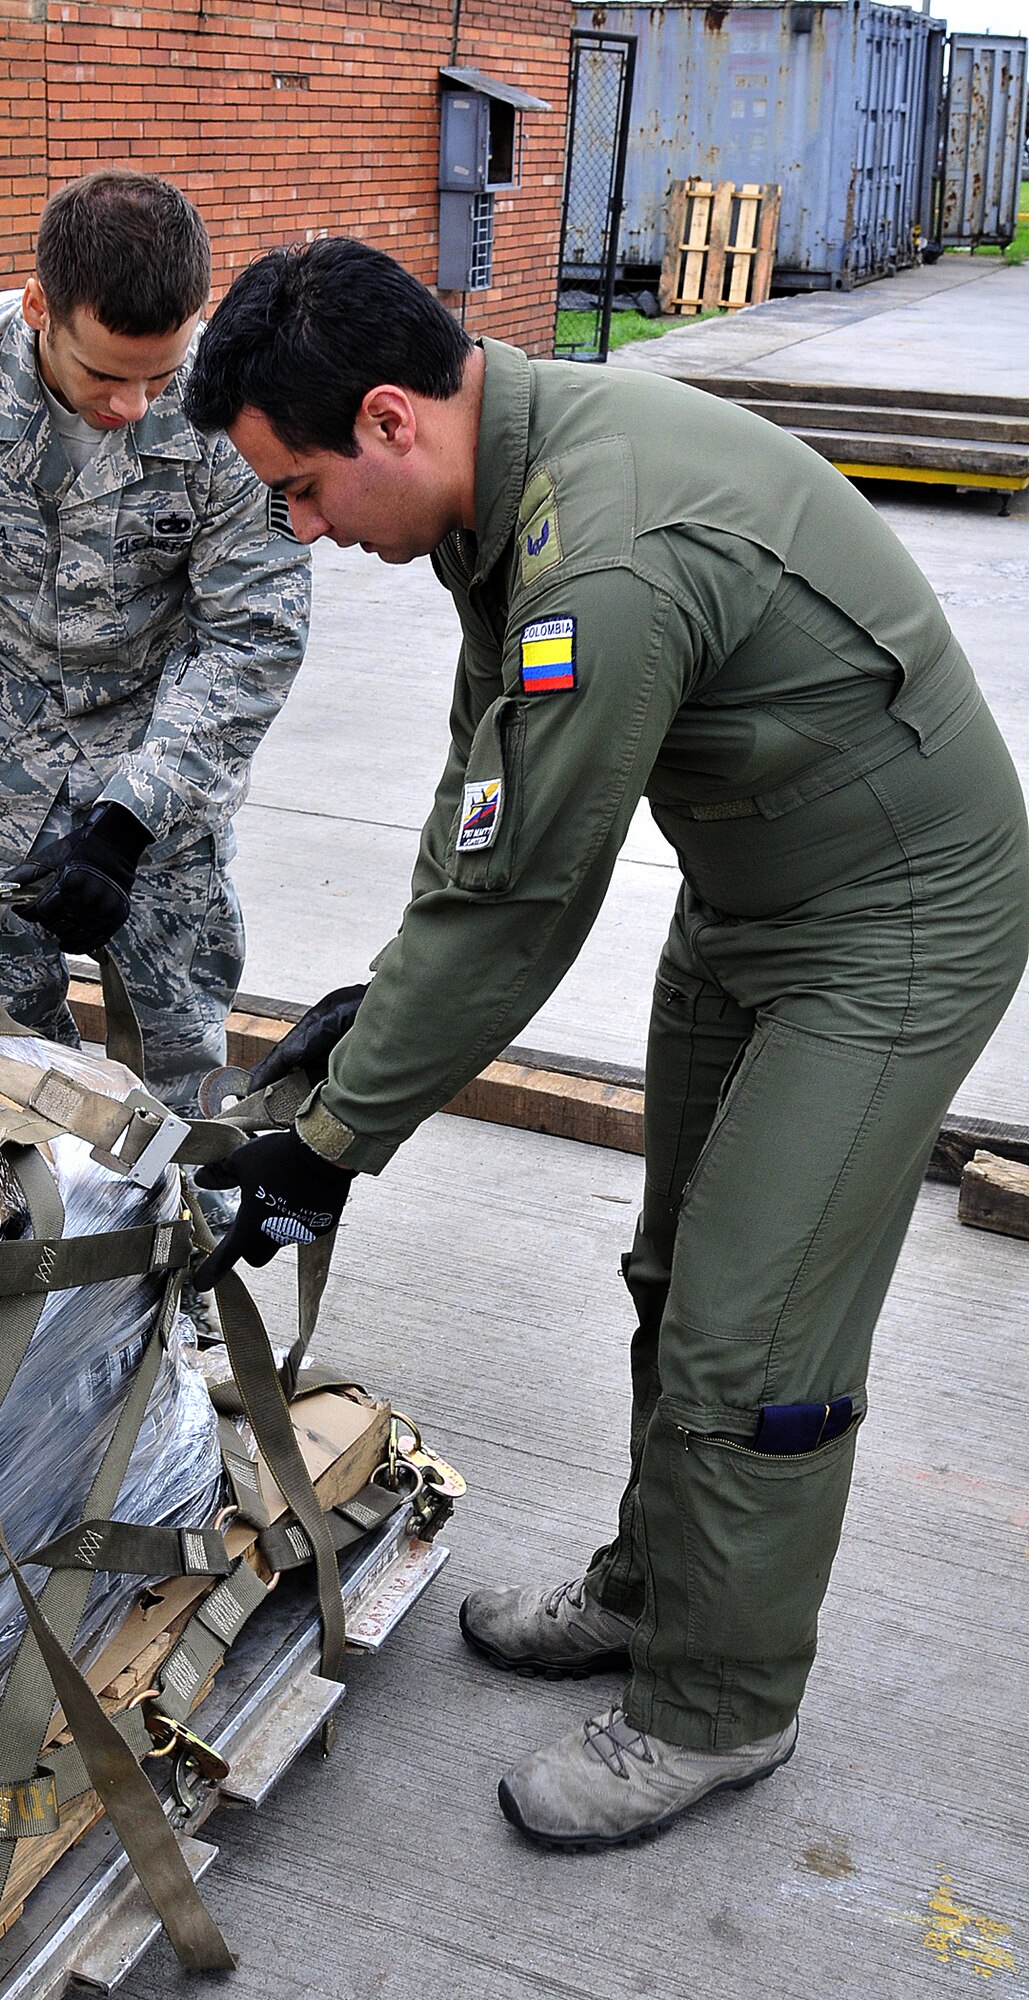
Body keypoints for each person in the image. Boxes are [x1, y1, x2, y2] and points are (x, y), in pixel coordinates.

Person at [182, 237, 1029, 1850]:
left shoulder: (602, 553)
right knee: (670, 1275)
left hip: (892, 928)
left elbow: (525, 909)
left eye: (293, 490)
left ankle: (721, 1709)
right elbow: (482, 799)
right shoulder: (495, 491)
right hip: (755, 888)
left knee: (750, 1331)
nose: (296, 530)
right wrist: (381, 997)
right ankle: (657, 1588)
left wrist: (333, 1139)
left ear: (381, 422)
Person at [0, 170, 311, 1131]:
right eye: (104, 373)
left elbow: (250, 633)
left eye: (159, 375)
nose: (134, 403)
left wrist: (129, 824)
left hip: (162, 789)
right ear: (39, 305)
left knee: (181, 1094)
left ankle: (171, 1278)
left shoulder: (226, 411)